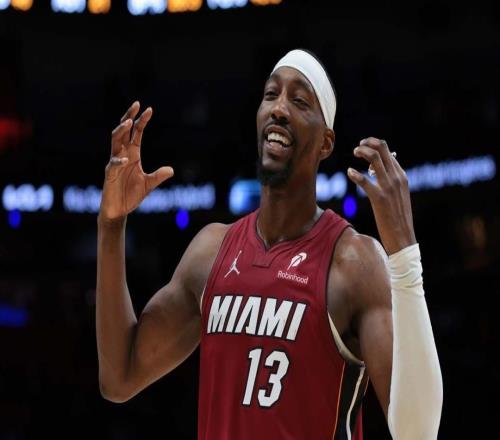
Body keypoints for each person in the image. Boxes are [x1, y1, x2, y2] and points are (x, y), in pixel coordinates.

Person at [96, 49, 443, 439]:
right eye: (270, 95)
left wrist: (405, 258)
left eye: (299, 101)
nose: (279, 108)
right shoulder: (211, 251)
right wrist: (111, 226)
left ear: (326, 142)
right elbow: (119, 377)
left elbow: (417, 433)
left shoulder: (353, 264)